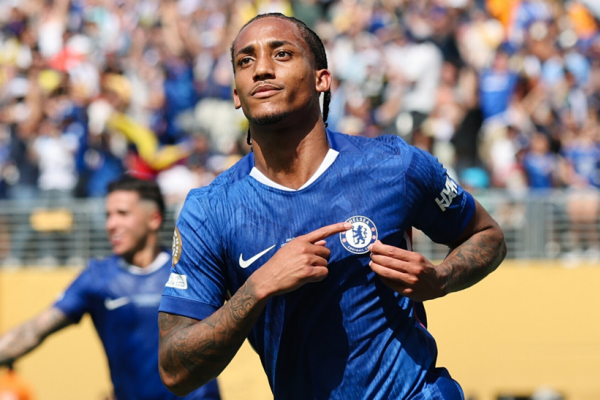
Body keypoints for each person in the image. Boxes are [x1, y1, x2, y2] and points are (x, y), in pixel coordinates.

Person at [158, 13, 506, 399]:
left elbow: (487, 235)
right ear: (236, 94)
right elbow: (175, 370)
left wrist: (441, 279)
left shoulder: (395, 165)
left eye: (282, 54)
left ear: (322, 79)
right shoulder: (210, 210)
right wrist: (257, 288)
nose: (261, 69)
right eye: (246, 60)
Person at [0, 175, 221, 400]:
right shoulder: (97, 277)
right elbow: (33, 330)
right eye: (108, 215)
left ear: (154, 219)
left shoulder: (191, 269)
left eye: (122, 214)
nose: (111, 224)